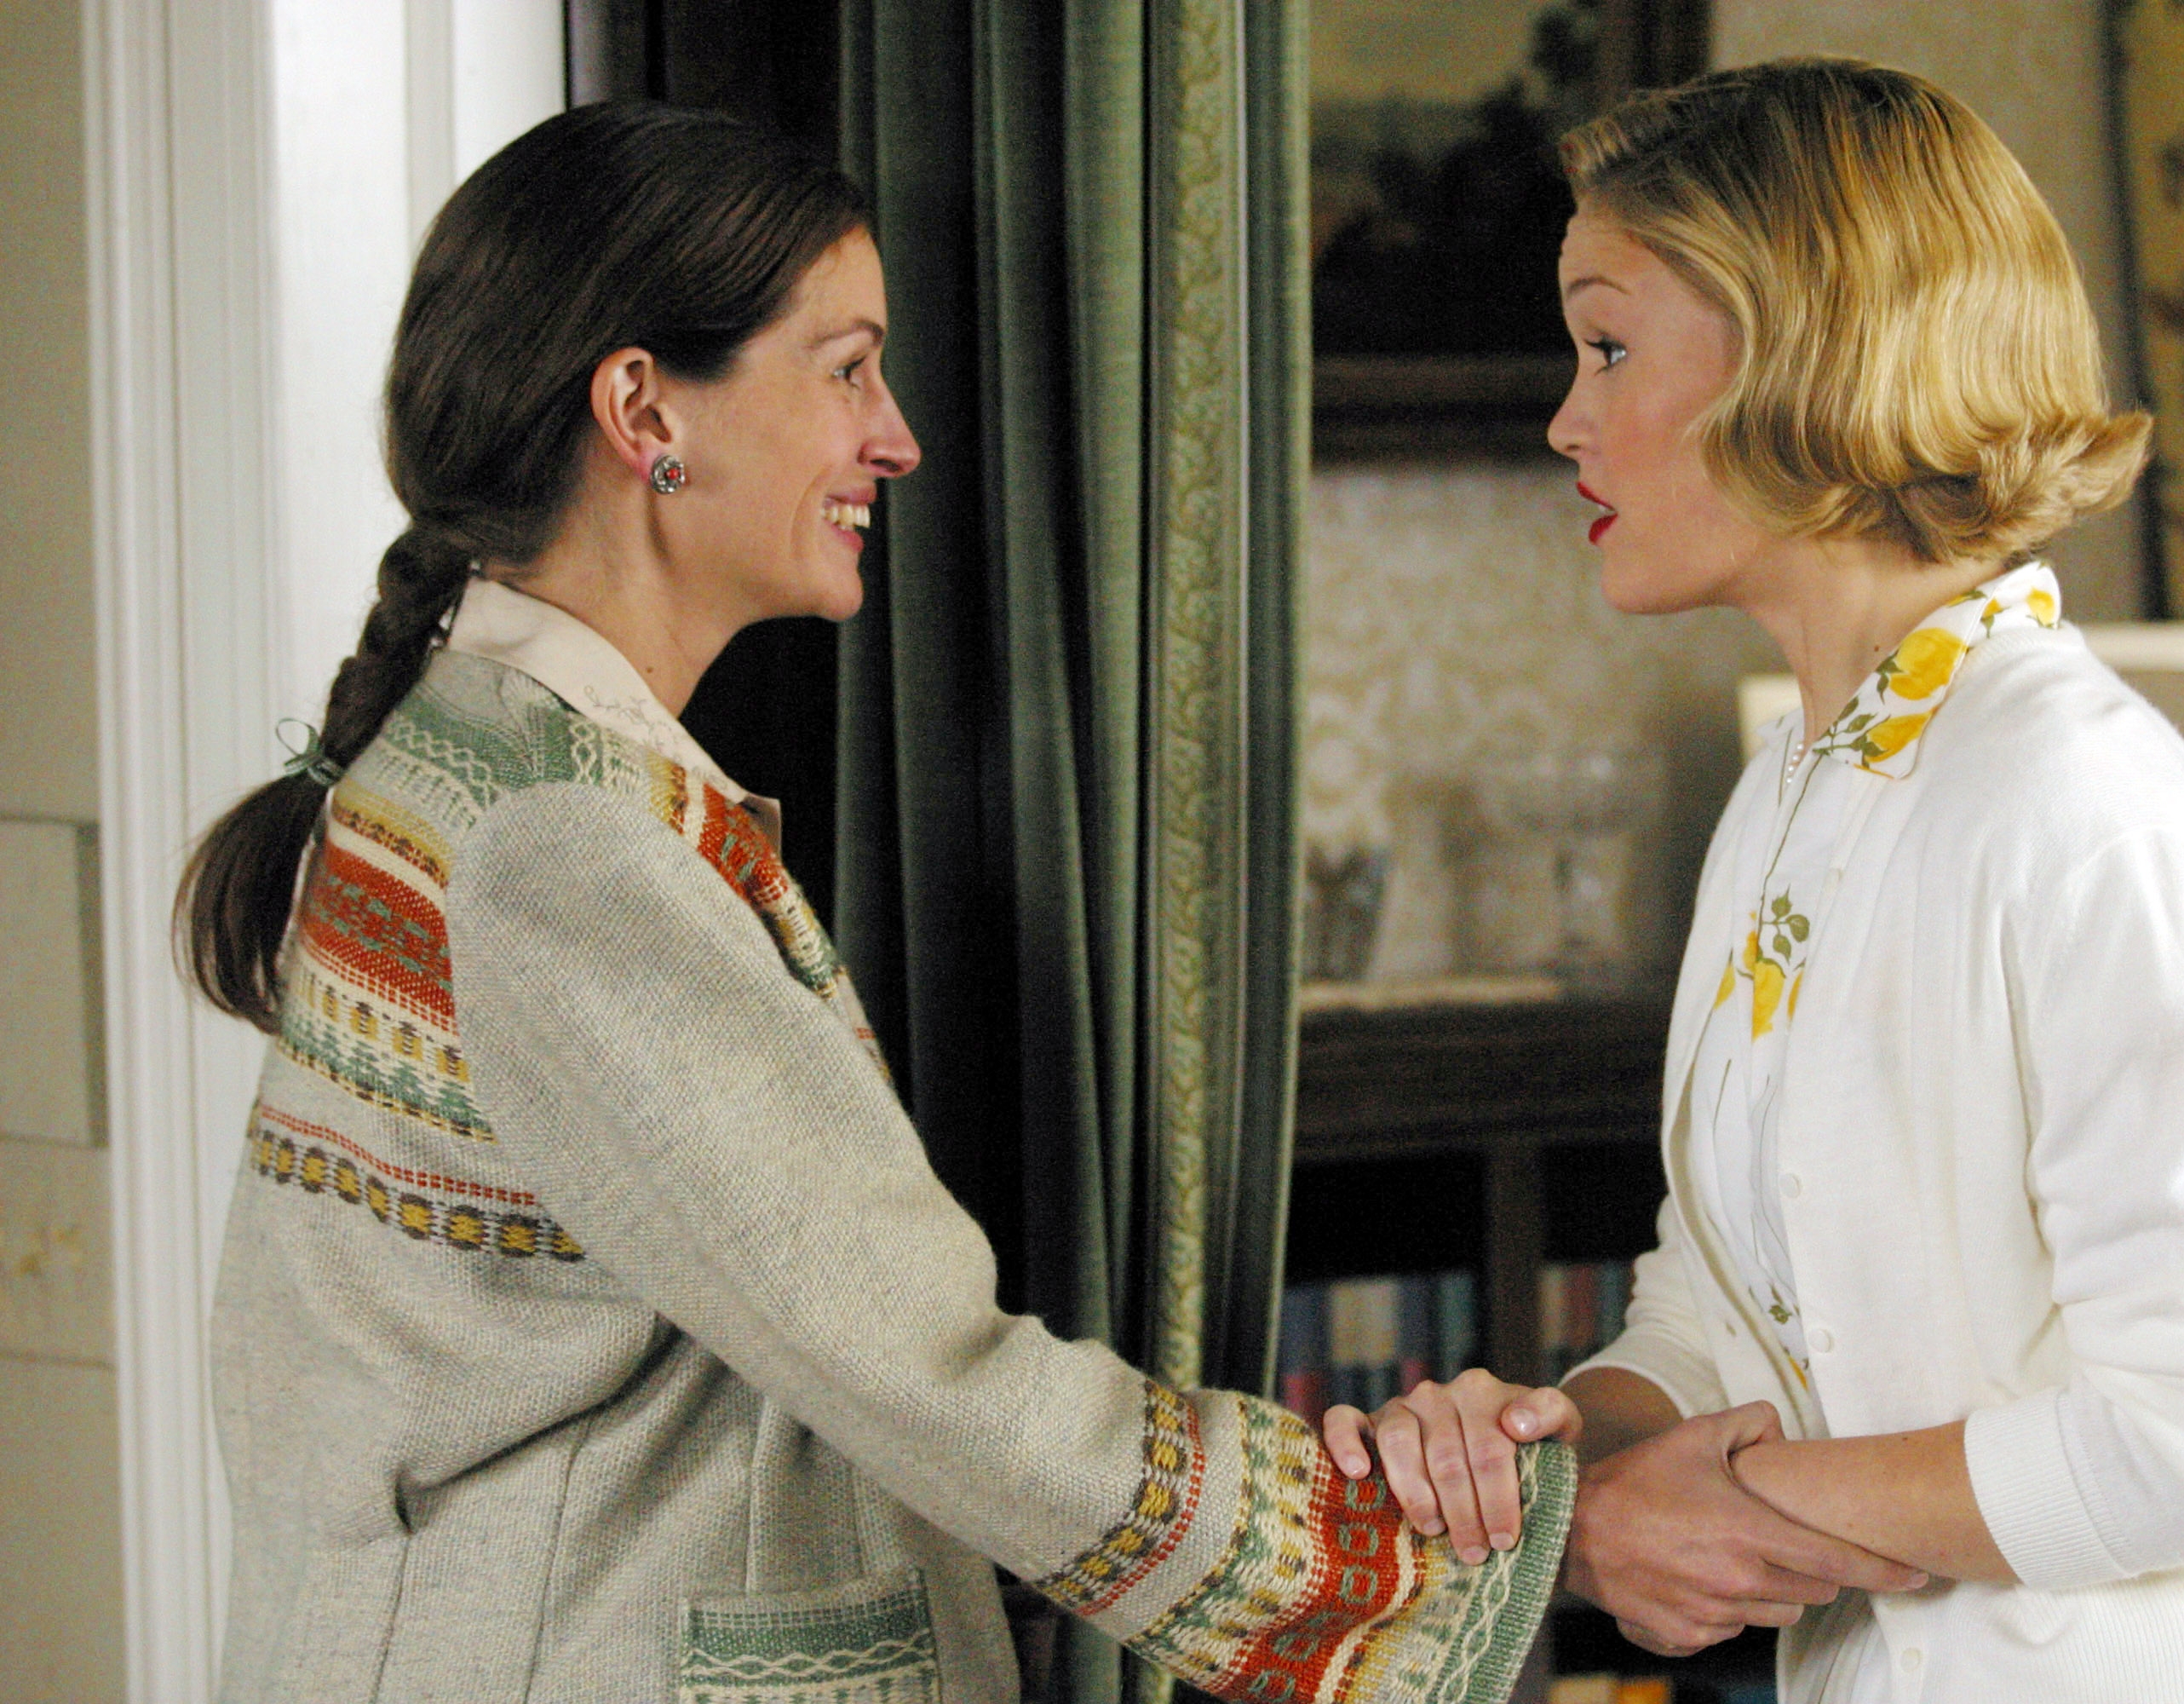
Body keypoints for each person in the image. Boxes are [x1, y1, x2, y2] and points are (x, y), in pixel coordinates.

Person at [179, 101, 1571, 1704]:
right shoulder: (562, 849)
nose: (896, 436)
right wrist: (1457, 1546)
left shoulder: (477, 762)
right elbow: (930, 1374)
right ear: (643, 407)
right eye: (845, 368)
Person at [1325, 59, 2184, 1703]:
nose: (1569, 414)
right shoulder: (1785, 797)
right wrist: (1553, 1458)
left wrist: (1710, 1510)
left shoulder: (2087, 805)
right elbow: (1713, 1300)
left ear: (1803, 350)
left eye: (1611, 345)